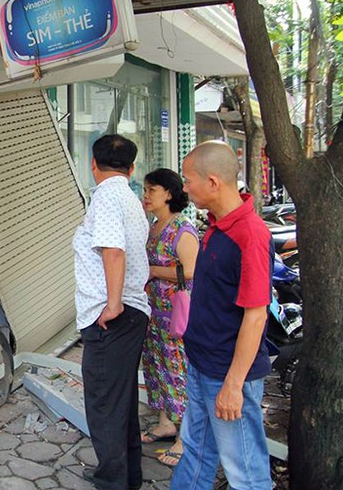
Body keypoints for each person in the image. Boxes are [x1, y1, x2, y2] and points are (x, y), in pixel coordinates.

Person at [170, 141, 273, 490]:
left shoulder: (251, 234)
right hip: (202, 365)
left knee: (244, 471)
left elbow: (255, 317)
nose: (184, 187)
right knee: (196, 454)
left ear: (213, 182)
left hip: (228, 375)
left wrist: (233, 385)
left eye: (188, 179)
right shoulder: (216, 225)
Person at [73, 134, 150, 490]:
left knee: (104, 404)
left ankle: (112, 482)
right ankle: (125, 477)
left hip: (113, 317)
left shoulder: (105, 197)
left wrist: (113, 303)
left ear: (93, 164)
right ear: (132, 168)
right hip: (131, 313)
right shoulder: (130, 199)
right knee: (121, 402)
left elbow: (113, 252)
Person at [139, 168, 199, 467]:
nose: (146, 194)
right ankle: (166, 422)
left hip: (174, 315)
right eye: (146, 189)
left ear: (169, 194)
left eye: (152, 190)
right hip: (154, 314)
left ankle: (185, 438)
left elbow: (190, 271)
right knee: (158, 369)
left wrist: (153, 271)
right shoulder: (154, 226)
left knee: (177, 371)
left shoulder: (182, 229)